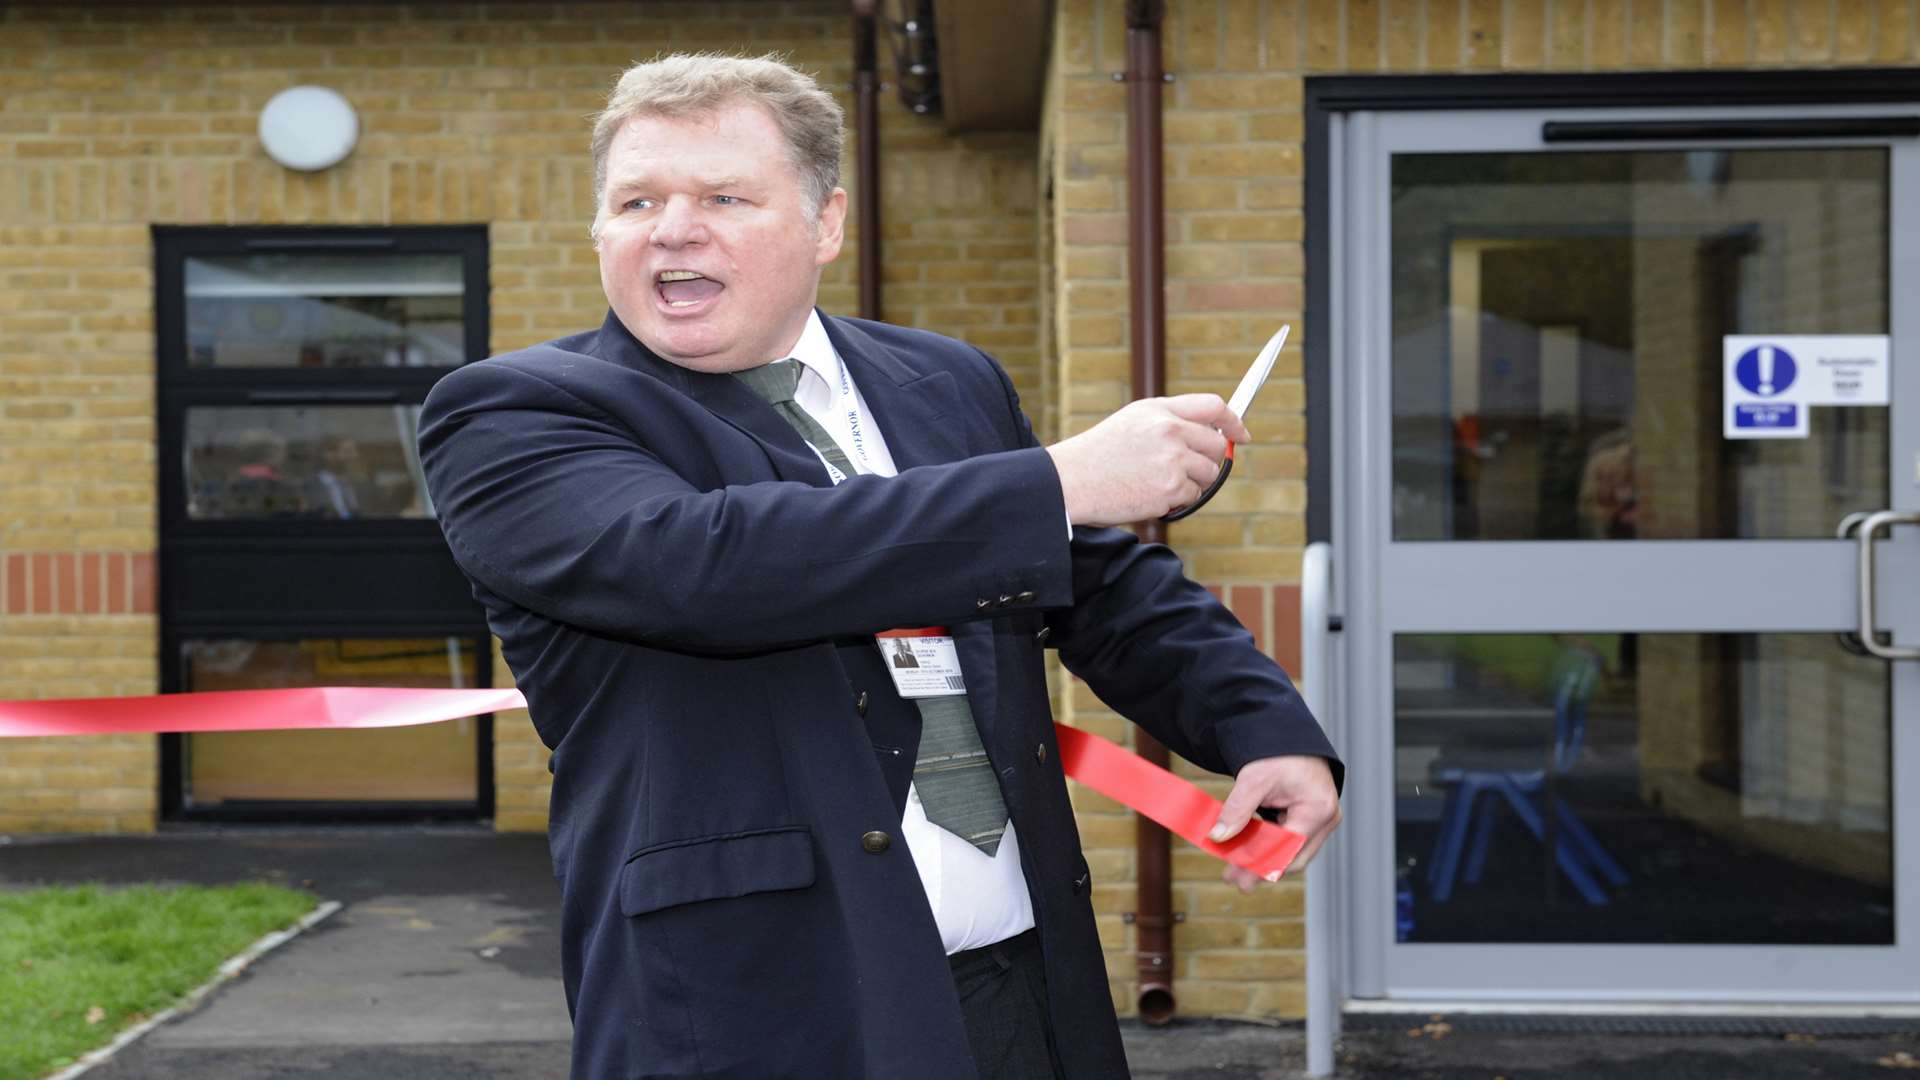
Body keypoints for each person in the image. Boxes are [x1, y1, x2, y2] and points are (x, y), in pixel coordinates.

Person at [417, 53, 1341, 1080]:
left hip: (1019, 985)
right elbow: (707, 567)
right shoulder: (515, 413)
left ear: (826, 225)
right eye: (637, 200)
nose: (674, 228)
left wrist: (1261, 725)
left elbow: (1096, 580)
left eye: (725, 194)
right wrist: (1058, 480)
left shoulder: (944, 379)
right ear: (601, 233)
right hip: (756, 1011)